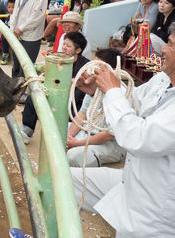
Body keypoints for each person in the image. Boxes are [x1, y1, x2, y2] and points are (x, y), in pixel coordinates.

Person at [71, 30, 175, 236]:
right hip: (131, 179)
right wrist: (97, 90)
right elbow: (133, 99)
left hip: (156, 207)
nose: (163, 49)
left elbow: (137, 137)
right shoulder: (163, 80)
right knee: (63, 180)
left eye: (171, 45)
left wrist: (111, 91)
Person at [21, 31, 90, 144]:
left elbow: (80, 93)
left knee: (68, 116)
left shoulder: (85, 67)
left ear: (78, 50)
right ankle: (26, 131)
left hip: (72, 102)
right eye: (64, 44)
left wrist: (63, 101)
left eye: (68, 46)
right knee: (33, 98)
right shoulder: (56, 58)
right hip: (54, 94)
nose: (64, 47)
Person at [66, 48, 126, 167]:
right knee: (56, 128)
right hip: (88, 131)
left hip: (109, 144)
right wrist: (69, 137)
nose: (92, 70)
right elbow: (82, 114)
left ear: (111, 71)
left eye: (97, 66)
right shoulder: (96, 86)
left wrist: (76, 144)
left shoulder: (123, 95)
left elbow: (108, 134)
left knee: (72, 155)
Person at [9, 0, 48, 79]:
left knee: (26, 66)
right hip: (16, 32)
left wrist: (21, 28)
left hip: (31, 35)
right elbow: (15, 11)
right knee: (15, 64)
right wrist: (12, 28)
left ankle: (23, 93)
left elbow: (38, 15)